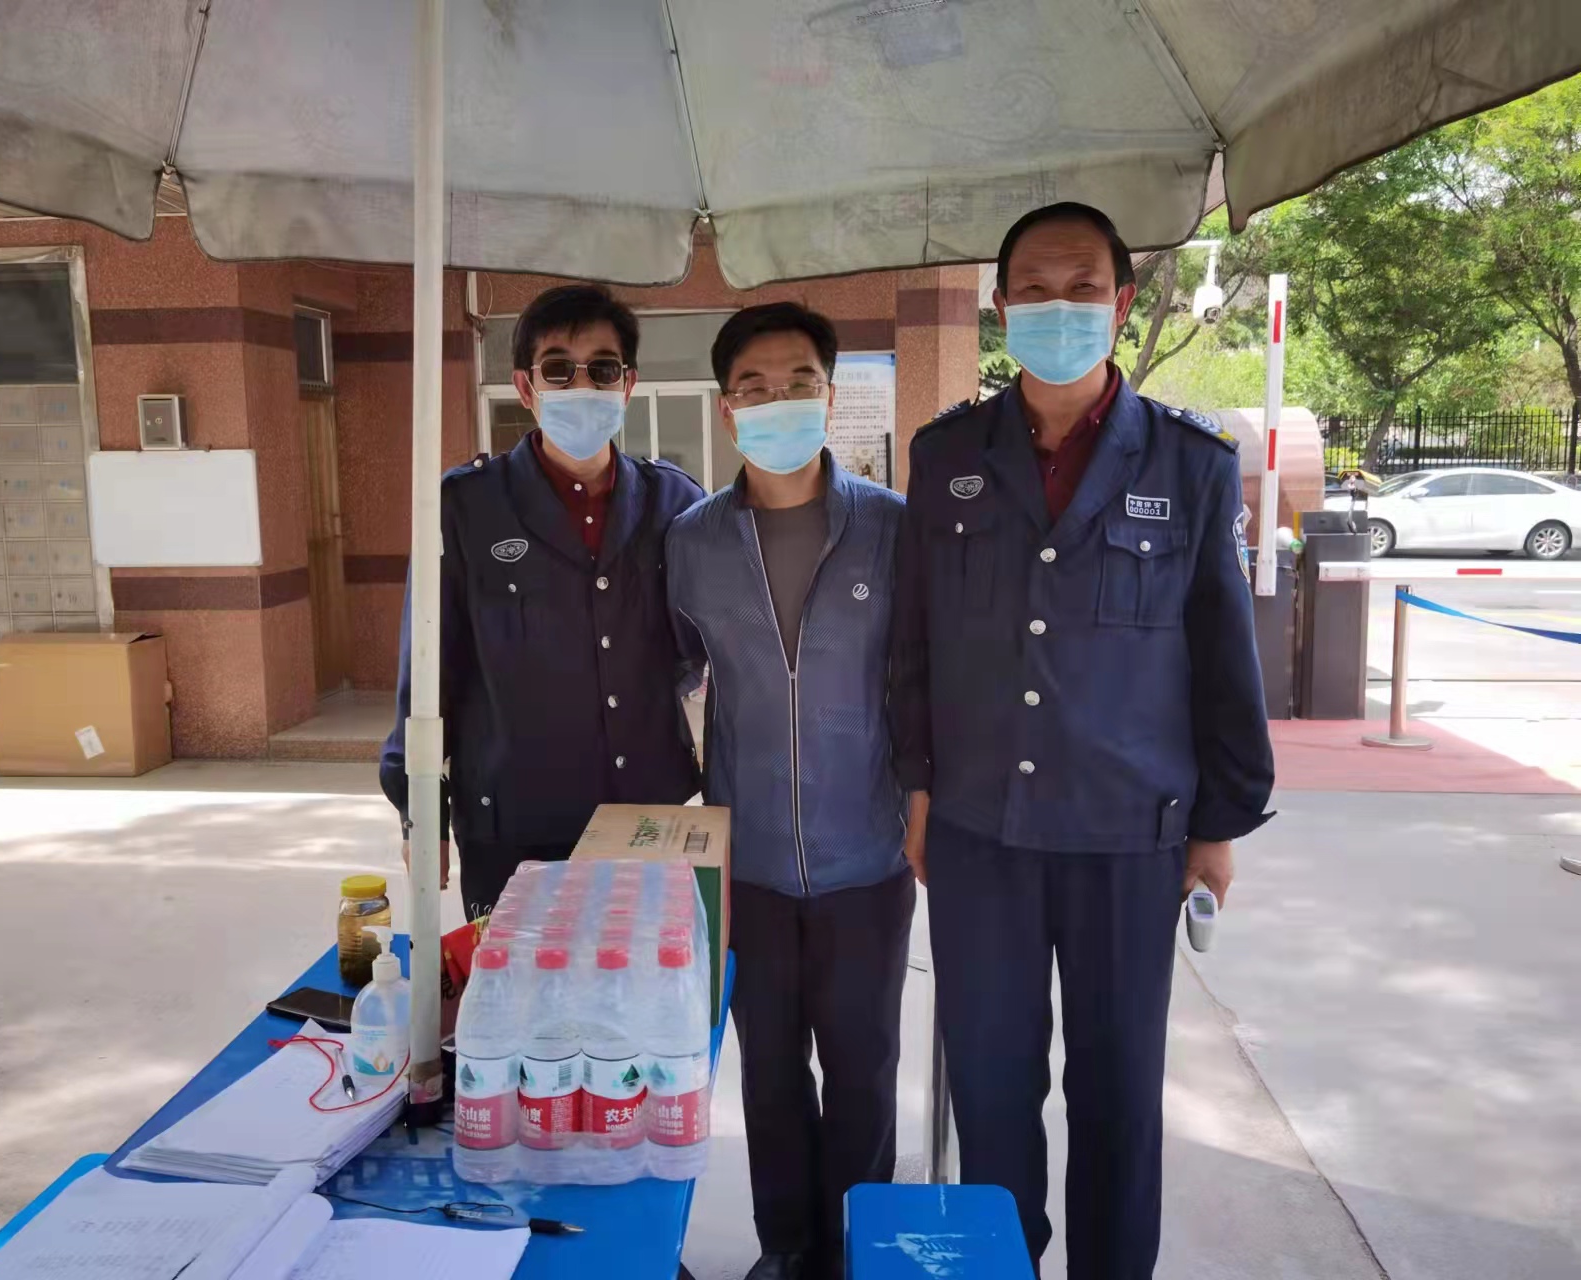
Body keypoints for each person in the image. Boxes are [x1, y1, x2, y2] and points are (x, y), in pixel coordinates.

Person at [891, 203, 1275, 1280]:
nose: (1056, 308)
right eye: (1033, 289)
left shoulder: (1191, 462)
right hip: (979, 832)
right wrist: (917, 789)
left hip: (1127, 833)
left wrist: (1219, 823)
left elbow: (1223, 654)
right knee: (991, 1089)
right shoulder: (946, 455)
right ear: (999, 304)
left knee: (1116, 1095)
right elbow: (913, 643)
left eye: (1081, 288)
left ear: (1121, 303)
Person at [667, 303, 918, 1280]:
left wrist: (922, 808)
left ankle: (851, 1249)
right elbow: (675, 674)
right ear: (726, 409)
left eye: (798, 382)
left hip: (869, 858)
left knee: (862, 1070)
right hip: (751, 863)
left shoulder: (890, 528)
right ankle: (786, 1245)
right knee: (769, 1071)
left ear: (829, 394)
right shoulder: (692, 541)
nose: (778, 401)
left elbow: (924, 680)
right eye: (754, 387)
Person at [380, 284, 705, 921]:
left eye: (602, 369)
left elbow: (707, 650)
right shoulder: (465, 507)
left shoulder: (675, 502)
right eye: (558, 369)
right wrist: (419, 810)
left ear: (628, 385)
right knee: (518, 986)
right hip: (513, 826)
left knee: (646, 979)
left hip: (645, 820)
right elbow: (427, 670)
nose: (581, 385)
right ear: (526, 388)